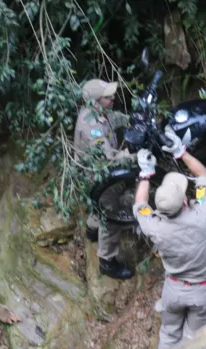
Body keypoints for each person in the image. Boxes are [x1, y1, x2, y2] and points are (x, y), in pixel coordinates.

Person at [133, 126, 206, 349]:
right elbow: (204, 176)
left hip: (173, 290)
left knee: (169, 336)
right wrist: (181, 152)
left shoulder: (155, 227)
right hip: (202, 291)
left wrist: (145, 174)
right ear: (185, 200)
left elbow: (140, 206)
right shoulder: (203, 214)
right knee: (191, 346)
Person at [74, 78, 135, 280]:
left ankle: (92, 230)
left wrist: (130, 119)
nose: (113, 99)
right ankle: (107, 262)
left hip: (93, 176)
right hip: (98, 176)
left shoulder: (97, 112)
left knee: (97, 206)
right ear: (96, 101)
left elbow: (113, 118)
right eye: (108, 97)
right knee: (111, 216)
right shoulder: (92, 127)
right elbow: (106, 156)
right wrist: (130, 157)